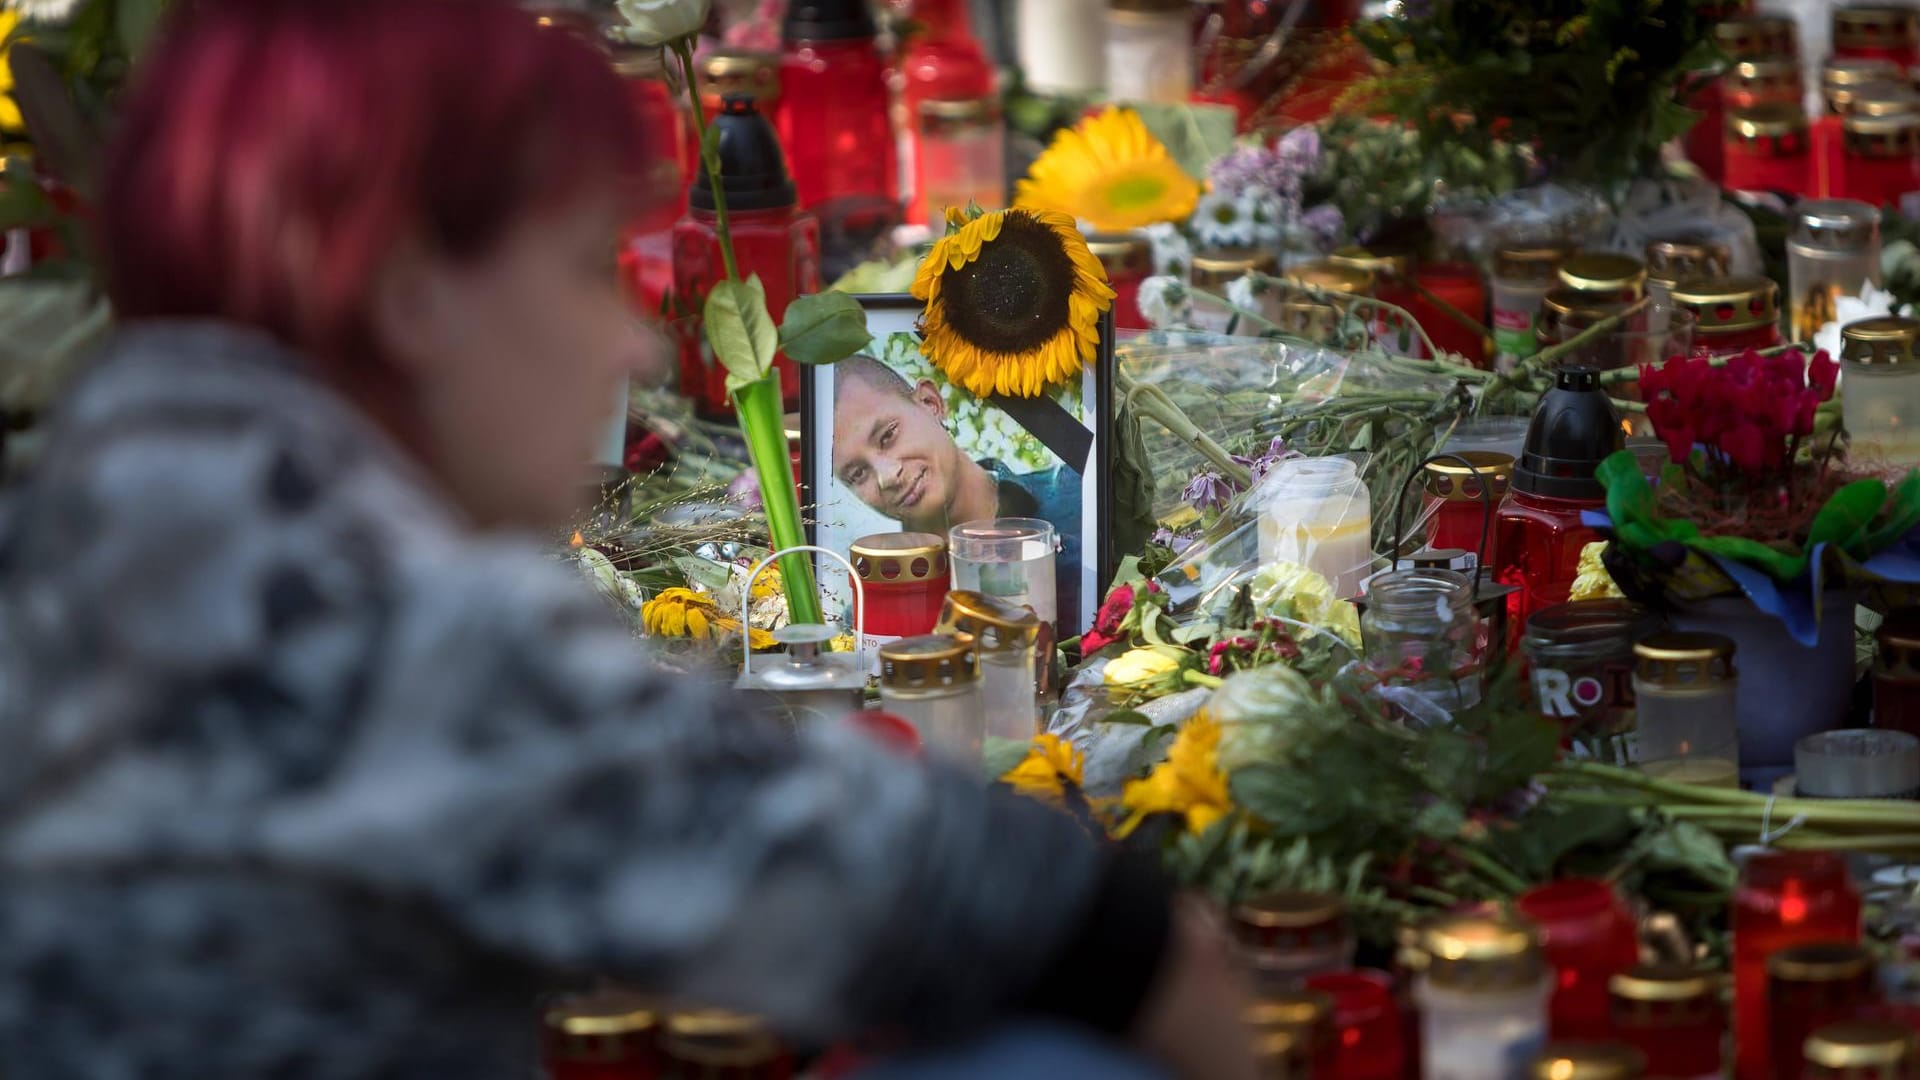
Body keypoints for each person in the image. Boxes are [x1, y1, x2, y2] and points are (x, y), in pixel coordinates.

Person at [0, 1, 1255, 1077]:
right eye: (579, 268)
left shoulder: (78, 515)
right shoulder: (376, 617)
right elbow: (940, 898)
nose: (636, 345)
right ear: (408, 292)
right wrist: (1159, 962)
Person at [831, 354, 1081, 622]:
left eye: (888, 435)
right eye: (857, 474)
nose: (887, 477)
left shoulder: (1079, 498)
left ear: (930, 403)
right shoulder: (870, 616)